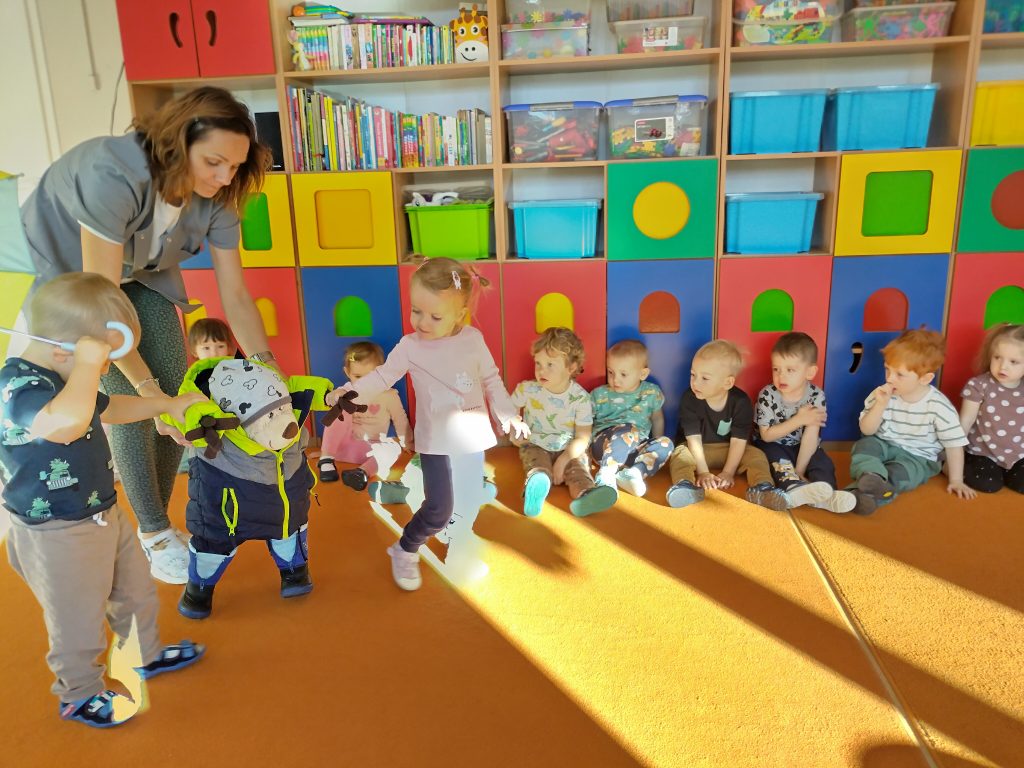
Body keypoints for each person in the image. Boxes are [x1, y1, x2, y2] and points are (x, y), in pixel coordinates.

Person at [12, 86, 277, 585]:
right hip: (75, 278)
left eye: (236, 166)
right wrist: (146, 389)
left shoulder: (218, 197)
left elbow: (237, 295)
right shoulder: (113, 175)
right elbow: (101, 308)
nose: (225, 177)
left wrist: (268, 368)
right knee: (134, 400)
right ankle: (154, 533)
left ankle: (159, 523)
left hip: (141, 270)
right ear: (176, 145)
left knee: (179, 393)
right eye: (214, 162)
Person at [1, 274, 206, 728]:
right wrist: (88, 366)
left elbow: (109, 407)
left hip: (101, 511)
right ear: (64, 350)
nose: (106, 366)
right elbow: (66, 425)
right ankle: (78, 693)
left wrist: (165, 405)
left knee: (134, 591)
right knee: (76, 617)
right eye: (104, 357)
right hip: (55, 531)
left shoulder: (65, 373)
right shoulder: (18, 384)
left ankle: (143, 653)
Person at [326, 258, 528, 590]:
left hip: (471, 438)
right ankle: (405, 548)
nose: (422, 322)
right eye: (416, 311)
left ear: (460, 315)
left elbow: (491, 380)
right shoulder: (410, 347)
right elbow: (381, 377)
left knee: (468, 500)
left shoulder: (473, 339)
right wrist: (347, 393)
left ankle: (460, 547)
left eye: (435, 316)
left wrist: (508, 415)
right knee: (438, 509)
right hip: (436, 442)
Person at [666, 340, 833, 511]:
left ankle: (763, 487)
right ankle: (684, 486)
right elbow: (693, 439)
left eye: (705, 378)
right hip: (698, 450)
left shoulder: (741, 402)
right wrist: (703, 472)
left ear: (727, 383)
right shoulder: (689, 399)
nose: (695, 382)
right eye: (693, 375)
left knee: (756, 455)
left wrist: (728, 472)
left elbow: (738, 441)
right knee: (680, 454)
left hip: (729, 450)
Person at [850, 328, 972, 515]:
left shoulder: (939, 407)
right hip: (883, 443)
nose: (890, 379)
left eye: (899, 374)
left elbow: (954, 446)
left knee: (899, 475)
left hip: (918, 457)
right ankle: (872, 475)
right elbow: (867, 430)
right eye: (887, 369)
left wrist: (956, 480)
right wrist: (880, 406)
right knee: (865, 446)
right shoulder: (881, 394)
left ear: (925, 378)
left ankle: (855, 497)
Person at [511, 327, 616, 518]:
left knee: (579, 471)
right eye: (538, 363)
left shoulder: (580, 399)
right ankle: (537, 488)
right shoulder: (528, 390)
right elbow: (508, 411)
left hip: (569, 448)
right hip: (536, 444)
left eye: (550, 364)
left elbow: (583, 438)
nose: (541, 370)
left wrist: (564, 459)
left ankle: (586, 495)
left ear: (571, 368)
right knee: (537, 467)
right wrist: (514, 426)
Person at [754, 332, 857, 513]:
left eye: (790, 370)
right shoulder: (767, 394)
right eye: (776, 369)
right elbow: (767, 436)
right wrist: (799, 419)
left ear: (810, 372)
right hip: (773, 443)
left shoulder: (816, 396)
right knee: (778, 462)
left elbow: (810, 437)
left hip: (802, 445)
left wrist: (800, 470)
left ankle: (826, 496)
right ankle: (793, 488)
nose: (781, 376)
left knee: (822, 462)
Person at [317, 341, 414, 506]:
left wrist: (407, 442)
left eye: (371, 377)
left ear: (381, 373)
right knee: (340, 406)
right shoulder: (347, 391)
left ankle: (361, 473)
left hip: (372, 450)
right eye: (358, 377)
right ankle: (326, 458)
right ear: (347, 373)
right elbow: (332, 398)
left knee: (393, 448)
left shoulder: (389, 395)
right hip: (345, 448)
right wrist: (336, 395)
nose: (365, 383)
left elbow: (400, 418)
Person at [588, 340, 674, 500]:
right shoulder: (598, 395)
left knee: (666, 443)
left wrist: (654, 442)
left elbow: (657, 419)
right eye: (611, 372)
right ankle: (606, 475)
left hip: (635, 450)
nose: (615, 380)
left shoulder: (651, 393)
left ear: (642, 374)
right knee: (629, 431)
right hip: (604, 446)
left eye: (623, 374)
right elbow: (586, 423)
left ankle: (634, 473)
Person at [957, 323, 1024, 494]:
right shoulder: (979, 385)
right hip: (982, 453)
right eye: (997, 357)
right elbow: (966, 420)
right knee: (989, 484)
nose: (1003, 366)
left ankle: (1007, 473)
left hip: (1017, 455)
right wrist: (954, 454)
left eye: (1013, 362)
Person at [178, 318, 238, 473]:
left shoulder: (235, 368)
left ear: (228, 347)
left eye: (220, 346)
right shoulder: (194, 375)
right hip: (205, 427)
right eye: (206, 347)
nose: (214, 353)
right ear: (194, 351)